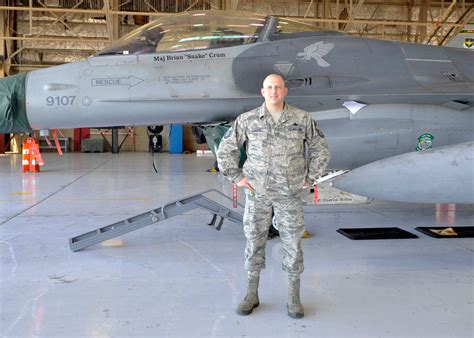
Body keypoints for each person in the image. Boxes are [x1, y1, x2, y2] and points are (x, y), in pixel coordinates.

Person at [216, 74, 330, 318]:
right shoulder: (247, 120)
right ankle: (251, 293)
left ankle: (293, 297)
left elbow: (321, 148)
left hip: (289, 194)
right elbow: (226, 149)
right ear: (262, 91)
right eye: (269, 87)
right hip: (258, 194)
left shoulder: (301, 118)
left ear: (285, 91)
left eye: (278, 87)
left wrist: (311, 177)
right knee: (254, 240)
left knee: (292, 242)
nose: (274, 91)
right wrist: (236, 177)